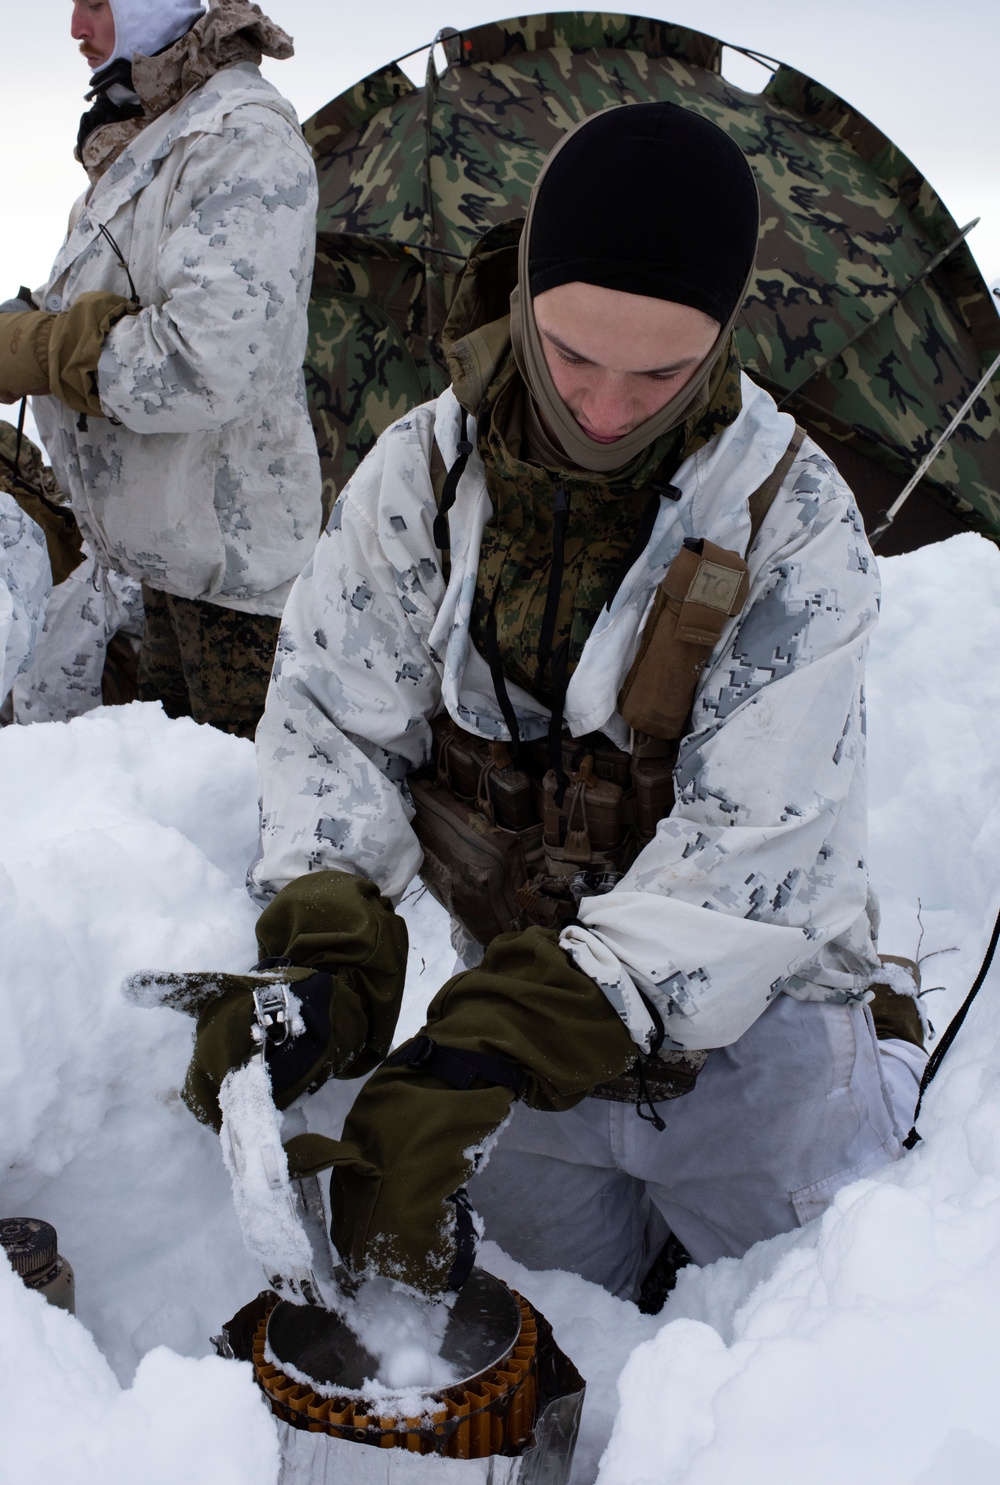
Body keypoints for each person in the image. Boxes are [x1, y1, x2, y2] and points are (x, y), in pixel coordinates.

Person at [148, 103, 928, 1301]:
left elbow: (747, 855)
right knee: (541, 1339)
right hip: (519, 1063)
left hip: (751, 1044)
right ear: (519, 298)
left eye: (661, 372)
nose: (606, 411)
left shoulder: (792, 522)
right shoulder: (419, 471)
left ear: (721, 341)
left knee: (797, 1367)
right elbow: (333, 726)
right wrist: (328, 950)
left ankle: (880, 1033)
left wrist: (489, 1040)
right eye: (570, 356)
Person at [0, 0, 321, 738]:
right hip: (161, 567)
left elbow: (206, 360)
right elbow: (96, 299)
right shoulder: (153, 132)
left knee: (235, 825)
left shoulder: (239, 137)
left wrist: (42, 351)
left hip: (233, 595)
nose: (77, 30)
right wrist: (22, 321)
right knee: (170, 821)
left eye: (96, 5)